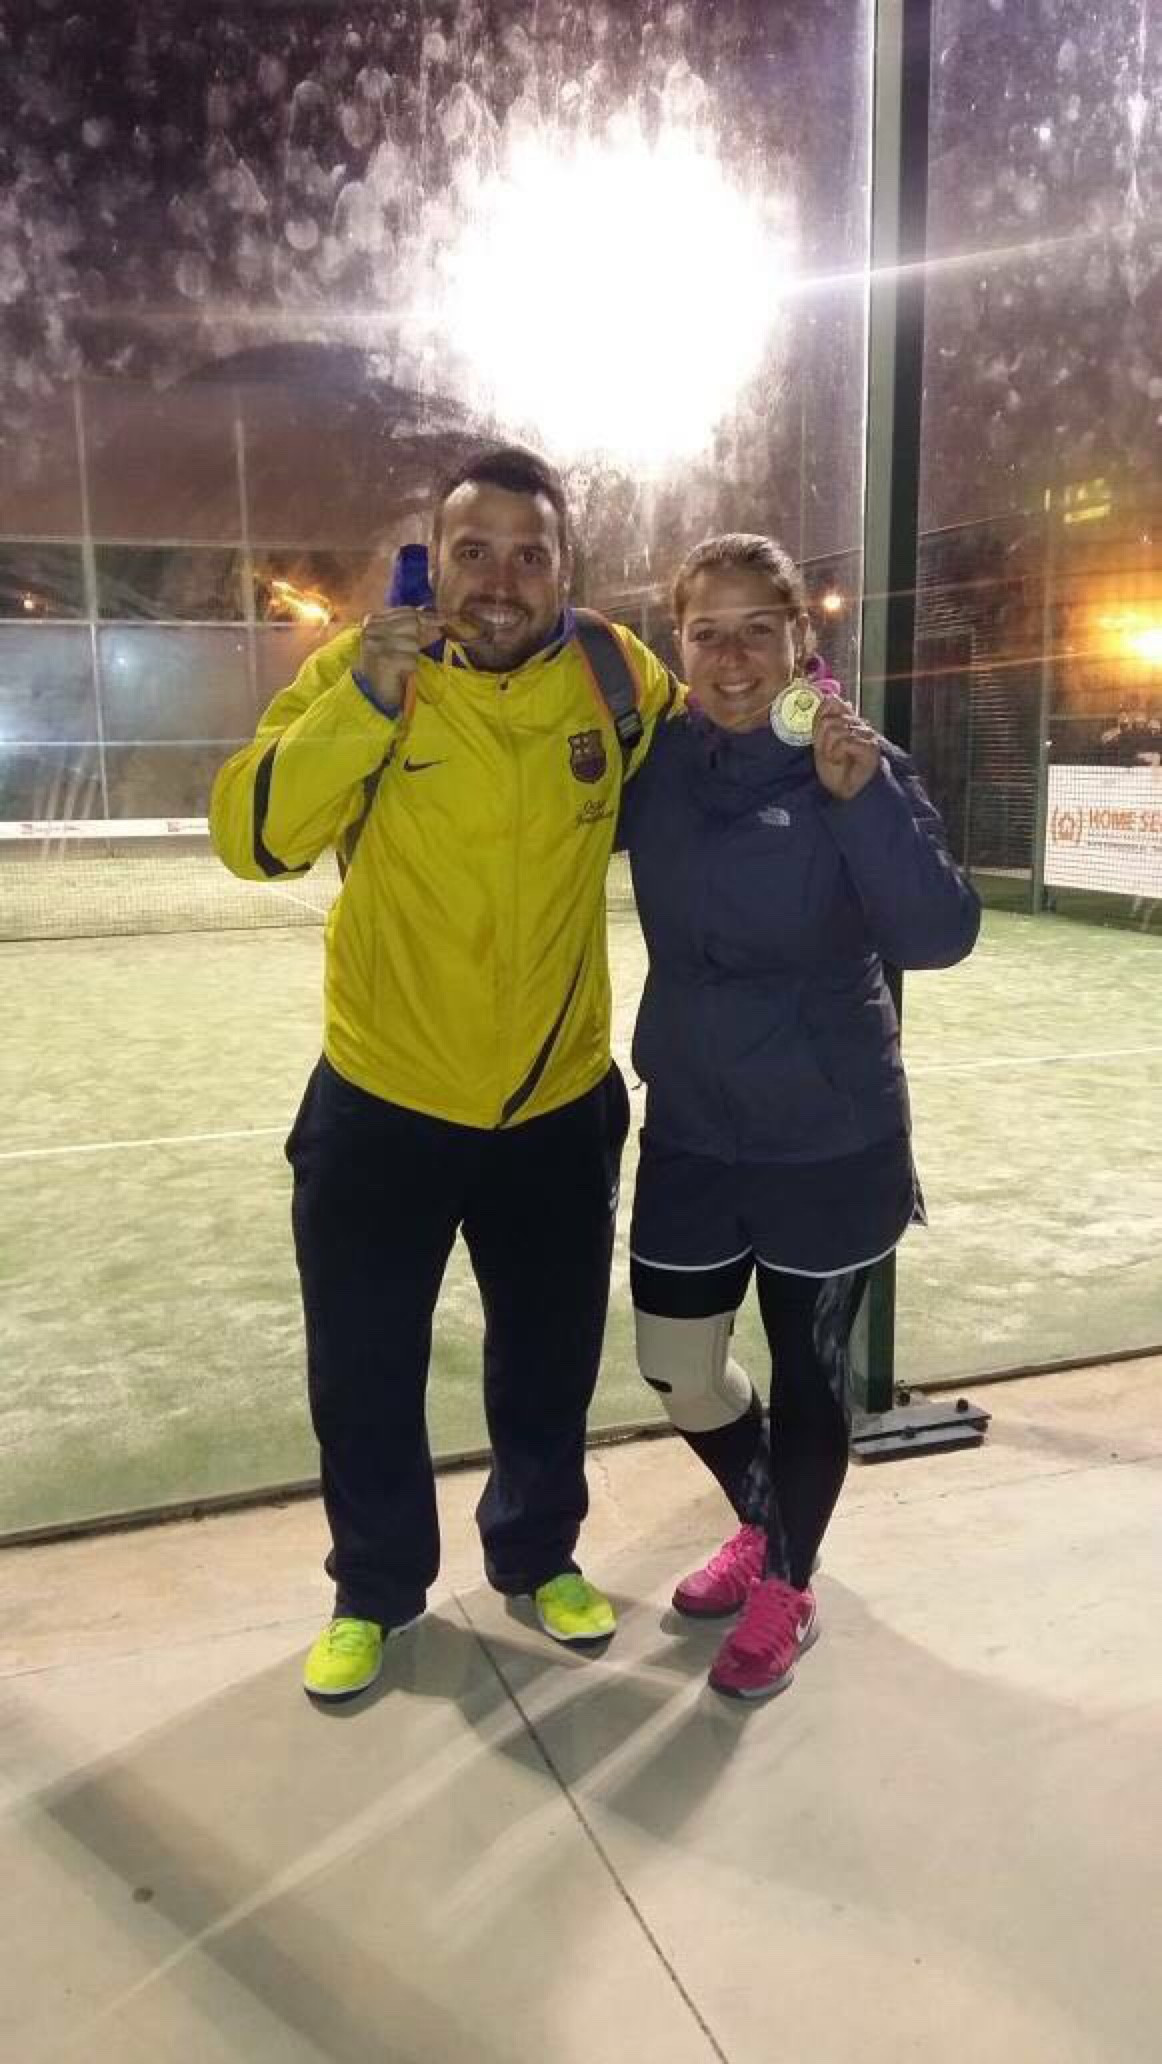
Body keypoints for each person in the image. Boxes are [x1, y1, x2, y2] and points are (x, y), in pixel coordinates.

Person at [210, 446, 678, 1701]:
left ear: (565, 568)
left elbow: (717, 768)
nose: (501, 579)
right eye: (475, 551)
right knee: (363, 1369)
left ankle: (537, 1556)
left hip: (554, 1105)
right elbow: (252, 837)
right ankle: (374, 1591)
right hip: (384, 1101)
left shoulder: (615, 675)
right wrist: (367, 696)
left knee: (549, 1363)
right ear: (434, 558)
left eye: (530, 554)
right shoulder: (364, 672)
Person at [618, 533, 981, 1702]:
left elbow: (938, 934)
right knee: (677, 1367)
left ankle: (786, 1576)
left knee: (810, 1380)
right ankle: (768, 1517)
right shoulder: (658, 765)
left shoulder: (853, 757)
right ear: (677, 647)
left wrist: (858, 800)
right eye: (706, 634)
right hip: (691, 1129)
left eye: (756, 631)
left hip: (828, 1135)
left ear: (798, 639)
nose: (731, 659)